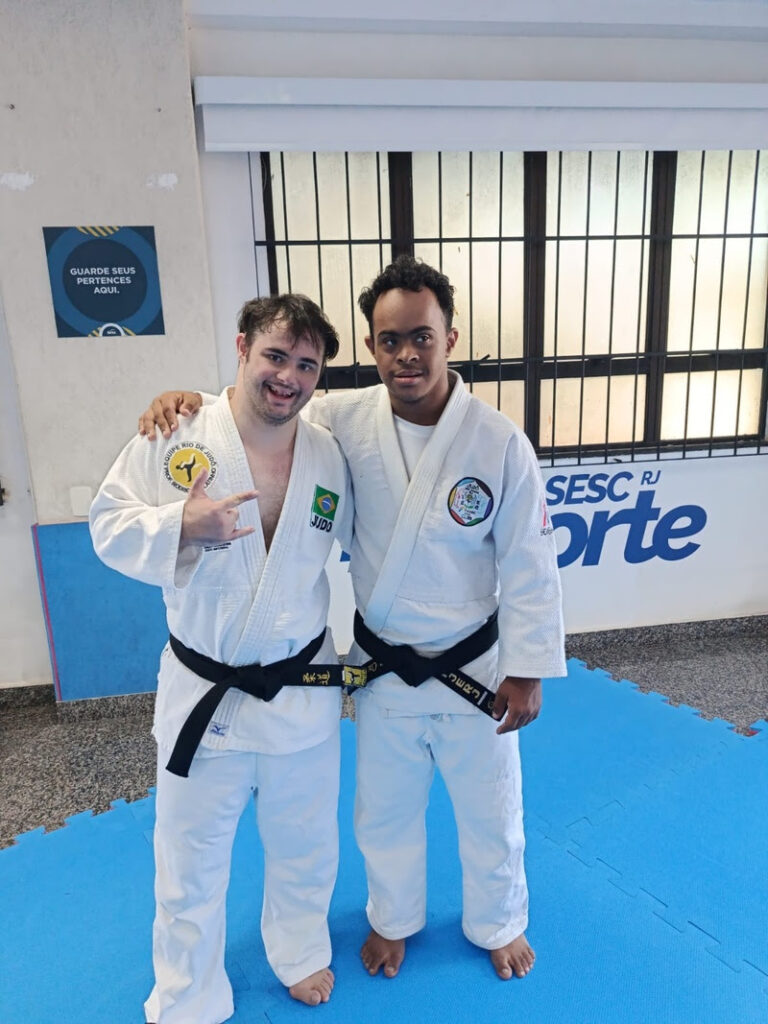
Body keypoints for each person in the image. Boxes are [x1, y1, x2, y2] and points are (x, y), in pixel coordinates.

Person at [138, 256, 566, 984]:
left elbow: (529, 560)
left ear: (450, 337)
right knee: (383, 811)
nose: (407, 354)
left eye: (422, 337)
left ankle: (500, 920)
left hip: (475, 666)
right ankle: (392, 919)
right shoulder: (340, 419)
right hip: (384, 666)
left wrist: (528, 669)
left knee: (492, 808)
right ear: (372, 347)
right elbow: (263, 408)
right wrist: (190, 404)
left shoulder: (497, 442)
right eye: (390, 340)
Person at [91, 294, 353, 1023]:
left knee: (307, 845)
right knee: (189, 862)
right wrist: (181, 523)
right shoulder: (179, 433)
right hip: (206, 697)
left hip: (300, 688)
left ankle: (299, 950)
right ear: (241, 348)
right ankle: (188, 994)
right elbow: (108, 523)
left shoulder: (329, 452)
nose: (288, 376)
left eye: (307, 365)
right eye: (275, 355)